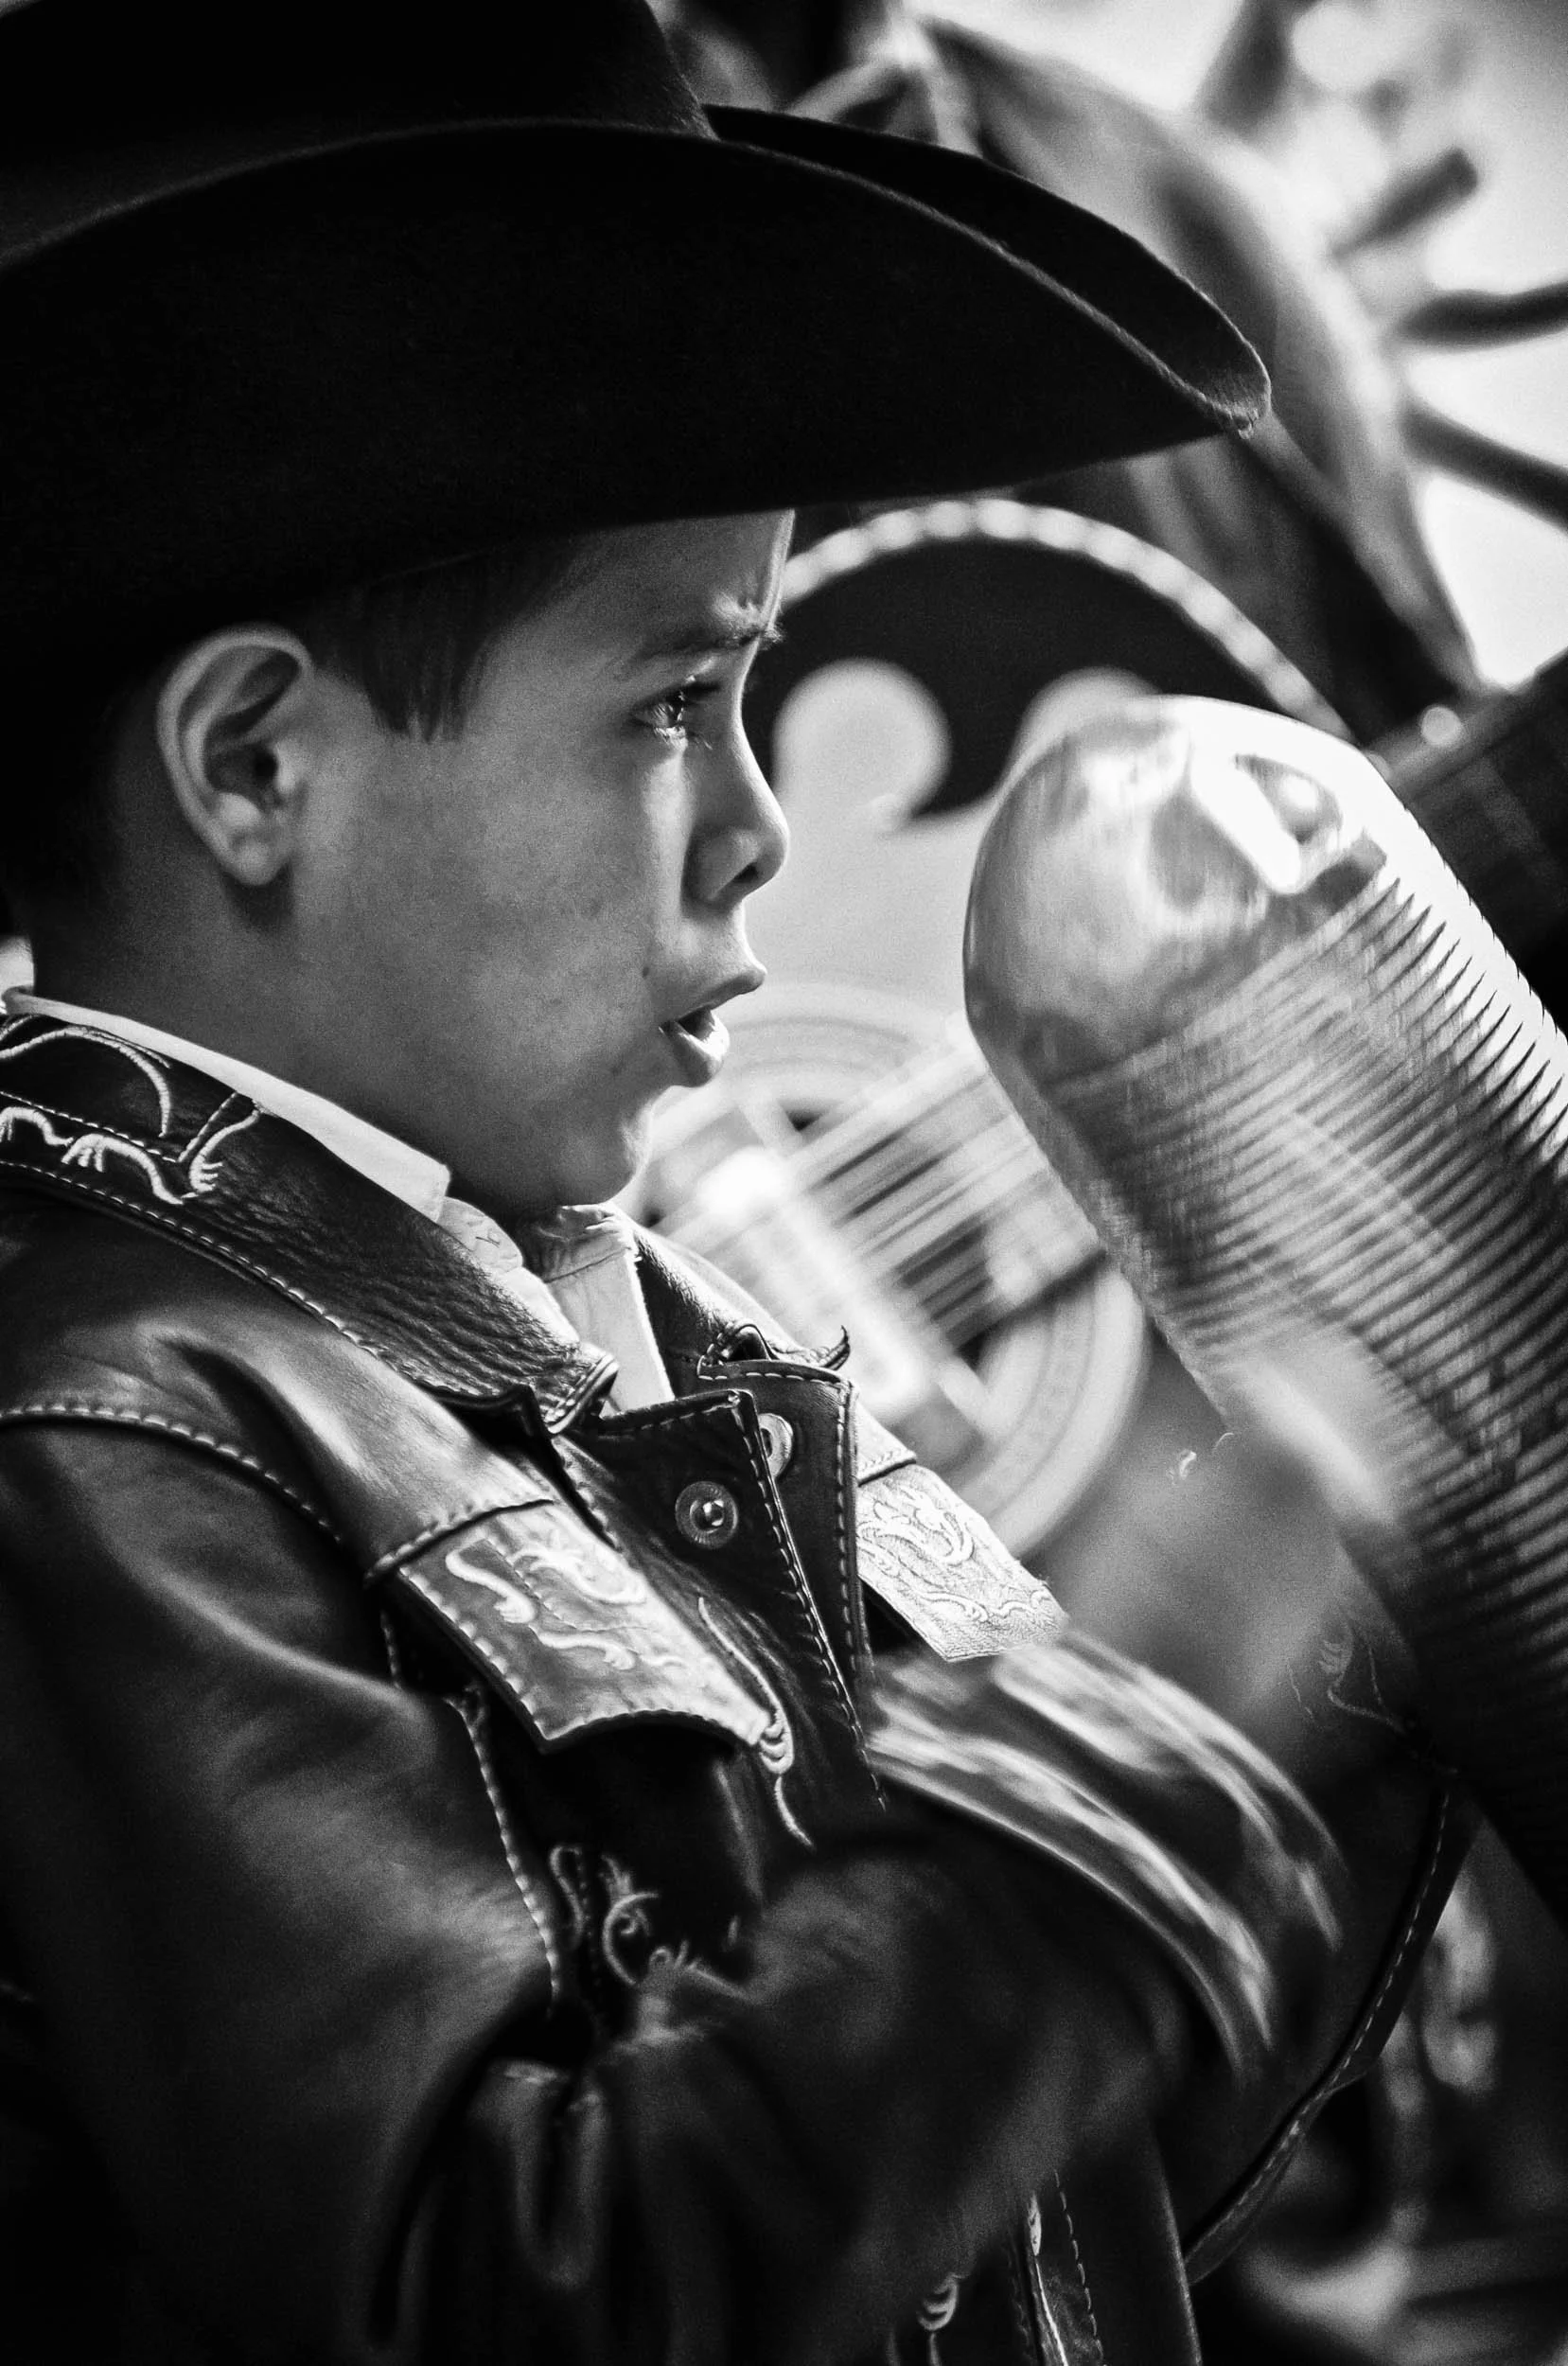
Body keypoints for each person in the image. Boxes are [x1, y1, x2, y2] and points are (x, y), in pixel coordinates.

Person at [0, 4, 1463, 2361]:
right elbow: (541, 2295)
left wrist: (1339, 1665)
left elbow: (991, 2211)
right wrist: (1131, 1741)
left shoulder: (643, 1321)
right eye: (678, 703)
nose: (758, 822)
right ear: (255, 763)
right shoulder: (112, 1443)